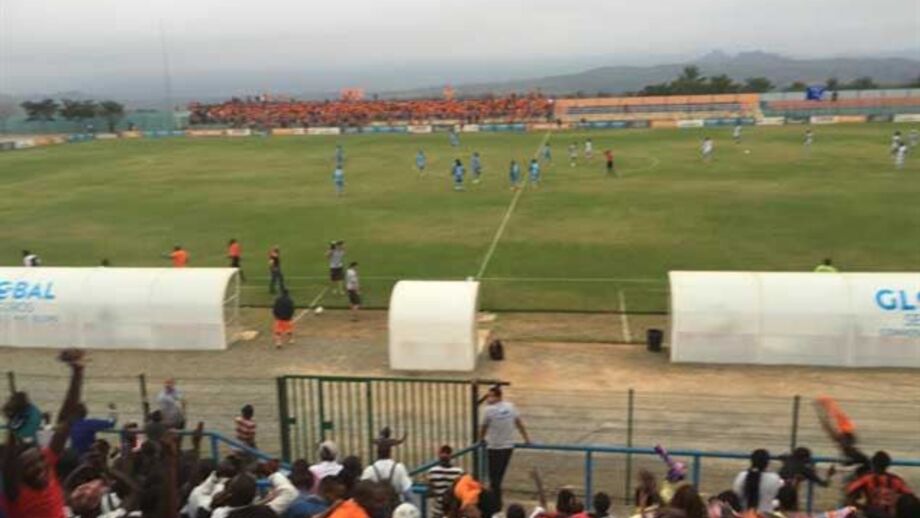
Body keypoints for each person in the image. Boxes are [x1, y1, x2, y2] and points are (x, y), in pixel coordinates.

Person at [2, 349, 84, 518]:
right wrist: (13, 427)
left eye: (39, 460)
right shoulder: (14, 491)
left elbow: (65, 419)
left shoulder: (46, 465)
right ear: (18, 472)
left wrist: (77, 371)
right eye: (30, 466)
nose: (39, 466)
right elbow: (8, 464)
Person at [479, 386, 530, 508]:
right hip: (507, 446)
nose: (489, 399)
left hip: (495, 447)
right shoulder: (510, 407)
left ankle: (495, 504)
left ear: (498, 396)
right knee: (498, 476)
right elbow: (518, 423)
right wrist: (526, 438)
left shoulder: (488, 410)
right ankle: (496, 502)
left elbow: (484, 427)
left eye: (491, 396)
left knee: (494, 478)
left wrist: (480, 439)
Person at [846, 451, 913, 517]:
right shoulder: (896, 480)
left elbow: (850, 491)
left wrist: (863, 508)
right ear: (887, 464)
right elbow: (910, 497)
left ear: (873, 464)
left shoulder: (866, 479)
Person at [733, 448, 783, 514]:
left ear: (751, 461)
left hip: (744, 514)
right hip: (766, 514)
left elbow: (736, 495)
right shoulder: (775, 478)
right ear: (767, 463)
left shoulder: (742, 476)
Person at [426, 445, 464, 518]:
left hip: (438, 511)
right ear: (451, 456)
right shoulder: (459, 472)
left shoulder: (432, 472)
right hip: (453, 512)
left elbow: (430, 493)